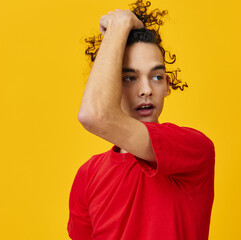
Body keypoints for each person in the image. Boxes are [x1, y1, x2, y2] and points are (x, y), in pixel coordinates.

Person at [67, 0, 215, 239]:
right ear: (110, 86)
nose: (146, 89)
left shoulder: (195, 151)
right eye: (129, 78)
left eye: (156, 77)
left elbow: (93, 115)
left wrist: (119, 25)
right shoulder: (88, 175)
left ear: (167, 85)